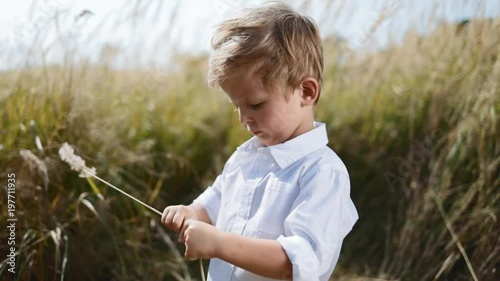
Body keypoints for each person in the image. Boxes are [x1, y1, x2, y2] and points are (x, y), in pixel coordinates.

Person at [161, 2, 358, 280]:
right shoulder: (246, 157)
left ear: (306, 91)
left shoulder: (322, 172)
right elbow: (216, 200)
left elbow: (298, 263)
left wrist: (219, 244)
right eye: (236, 106)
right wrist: (191, 212)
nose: (244, 119)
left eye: (255, 104)